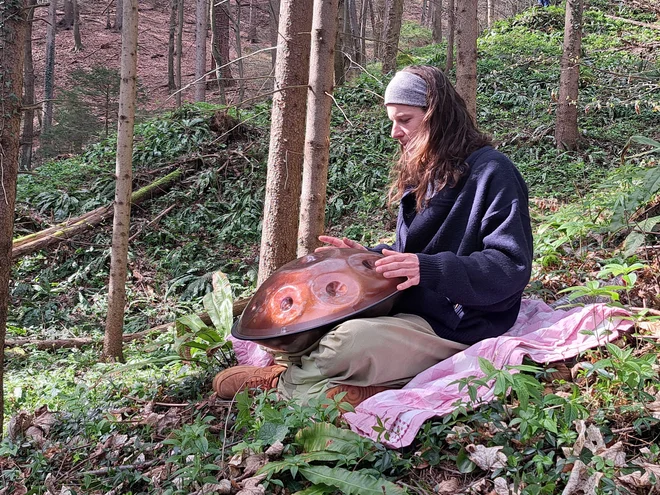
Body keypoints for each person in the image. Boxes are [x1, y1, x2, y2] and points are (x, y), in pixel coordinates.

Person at [213, 65, 534, 407]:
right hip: (410, 306)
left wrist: (429, 269)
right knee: (293, 328)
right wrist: (366, 257)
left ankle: (289, 385)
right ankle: (316, 382)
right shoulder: (425, 171)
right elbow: (412, 253)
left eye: (405, 120)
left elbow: (509, 265)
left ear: (437, 116)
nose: (395, 132)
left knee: (345, 342)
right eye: (392, 121)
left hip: (460, 321)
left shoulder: (493, 172)